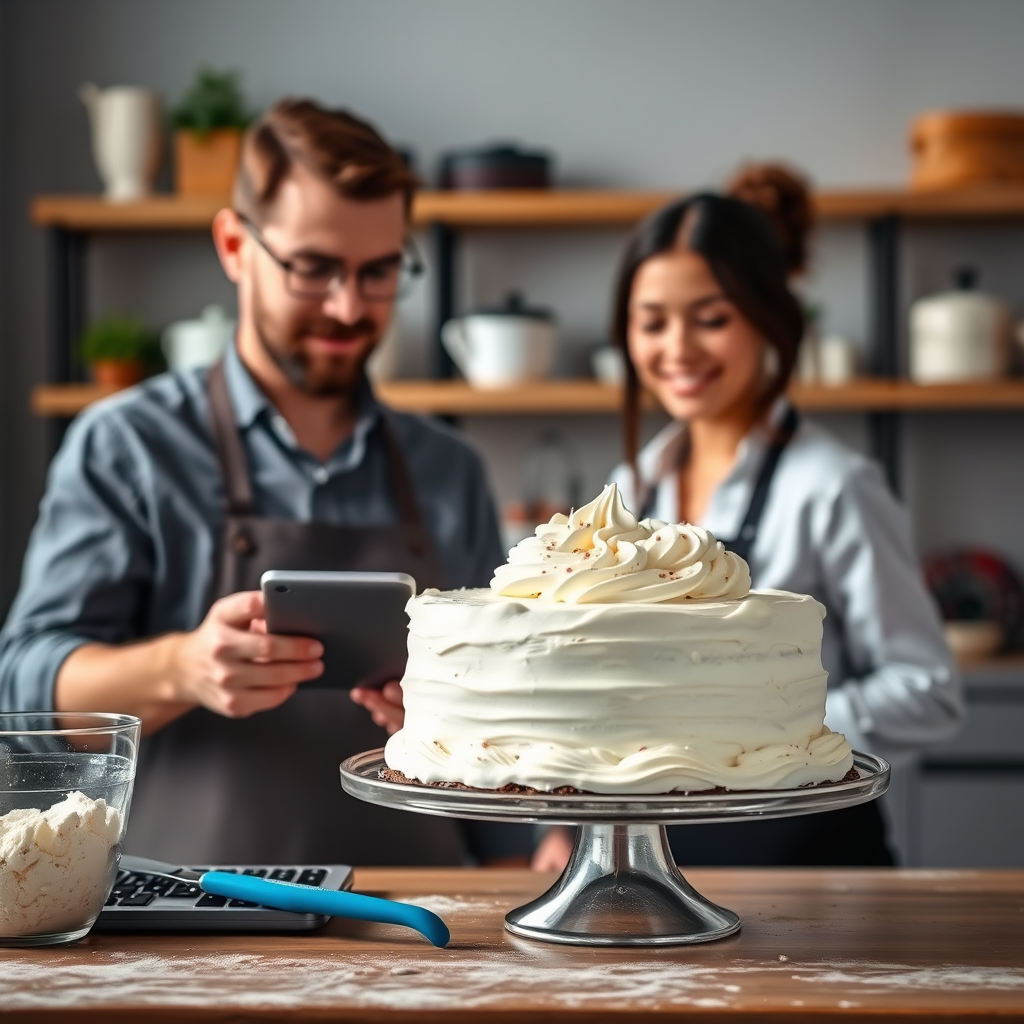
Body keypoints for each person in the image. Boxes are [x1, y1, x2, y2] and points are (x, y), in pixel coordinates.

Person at [0, 99, 529, 866]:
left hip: (430, 922)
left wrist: (464, 724)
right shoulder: (128, 445)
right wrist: (182, 666)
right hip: (194, 930)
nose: (350, 306)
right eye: (314, 268)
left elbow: (508, 720)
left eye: (379, 272)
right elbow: (27, 695)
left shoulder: (449, 468)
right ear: (235, 245)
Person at [533, 166, 965, 869]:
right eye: (652, 322)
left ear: (768, 316)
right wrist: (566, 820)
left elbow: (927, 691)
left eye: (711, 318)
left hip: (810, 862)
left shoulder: (833, 486)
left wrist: (765, 731)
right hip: (655, 864)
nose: (677, 349)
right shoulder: (631, 490)